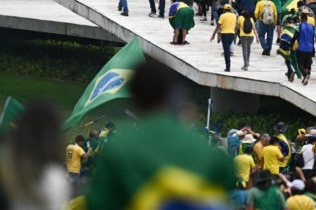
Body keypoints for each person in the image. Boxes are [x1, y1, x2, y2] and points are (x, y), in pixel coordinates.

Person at [84, 61, 236, 208]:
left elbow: (97, 203)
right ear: (171, 95)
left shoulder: (118, 148)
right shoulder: (202, 146)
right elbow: (228, 178)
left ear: (133, 97)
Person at [211, 4, 237, 72]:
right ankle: (228, 64)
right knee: (228, 49)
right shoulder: (234, 16)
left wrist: (214, 34)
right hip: (232, 34)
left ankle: (228, 66)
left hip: (225, 34)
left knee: (226, 51)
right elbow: (236, 26)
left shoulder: (223, 16)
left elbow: (218, 25)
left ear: (224, 10)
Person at [295, 11, 316, 85]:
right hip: (309, 48)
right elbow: (314, 37)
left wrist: (290, 45)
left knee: (300, 64)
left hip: (301, 48)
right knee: (306, 64)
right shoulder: (312, 27)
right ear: (307, 19)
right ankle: (305, 79)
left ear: (301, 19)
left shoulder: (299, 26)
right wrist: (313, 48)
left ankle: (305, 75)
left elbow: (295, 36)